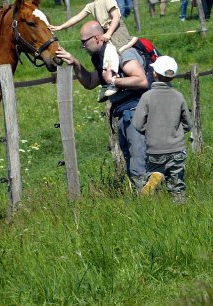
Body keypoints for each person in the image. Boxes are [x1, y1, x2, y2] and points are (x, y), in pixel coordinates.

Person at [54, 21, 151, 191]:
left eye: (84, 42)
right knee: (131, 160)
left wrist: (113, 81)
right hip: (124, 113)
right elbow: (91, 82)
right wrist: (75, 63)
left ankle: (151, 201)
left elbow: (141, 80)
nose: (83, 46)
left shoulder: (123, 53)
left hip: (136, 110)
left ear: (98, 37)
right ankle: (145, 197)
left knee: (138, 162)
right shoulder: (104, 58)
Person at [133, 55, 191, 203]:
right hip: (177, 149)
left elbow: (137, 124)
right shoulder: (178, 96)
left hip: (155, 149)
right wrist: (177, 133)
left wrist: (150, 131)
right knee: (177, 184)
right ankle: (179, 207)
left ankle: (154, 181)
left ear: (154, 74)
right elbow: (188, 123)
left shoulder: (147, 97)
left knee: (154, 176)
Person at [50, 0, 134, 51]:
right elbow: (77, 17)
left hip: (116, 31)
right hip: (105, 33)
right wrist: (61, 27)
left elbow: (116, 17)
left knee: (121, 52)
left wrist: (108, 33)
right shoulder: (92, 4)